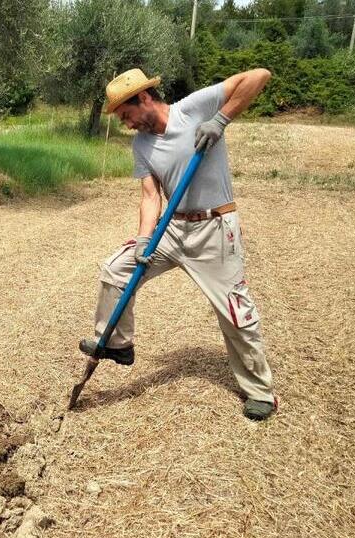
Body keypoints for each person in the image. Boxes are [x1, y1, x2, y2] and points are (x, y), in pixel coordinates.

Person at [79, 68, 277, 421]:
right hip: (173, 229)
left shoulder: (194, 108)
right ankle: (118, 345)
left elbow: (260, 76)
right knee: (116, 268)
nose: (127, 124)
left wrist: (220, 120)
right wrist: (144, 239)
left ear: (143, 98)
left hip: (215, 227)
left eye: (127, 115)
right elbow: (150, 195)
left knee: (234, 311)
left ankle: (260, 392)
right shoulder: (140, 145)